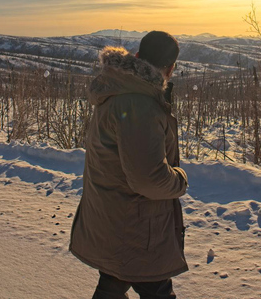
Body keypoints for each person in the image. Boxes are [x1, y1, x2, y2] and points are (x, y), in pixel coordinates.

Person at [70, 31, 188, 299]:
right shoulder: (139, 104)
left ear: (137, 57)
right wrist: (179, 179)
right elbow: (148, 178)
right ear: (170, 68)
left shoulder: (118, 90)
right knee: (155, 288)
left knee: (113, 283)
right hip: (136, 227)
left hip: (115, 216)